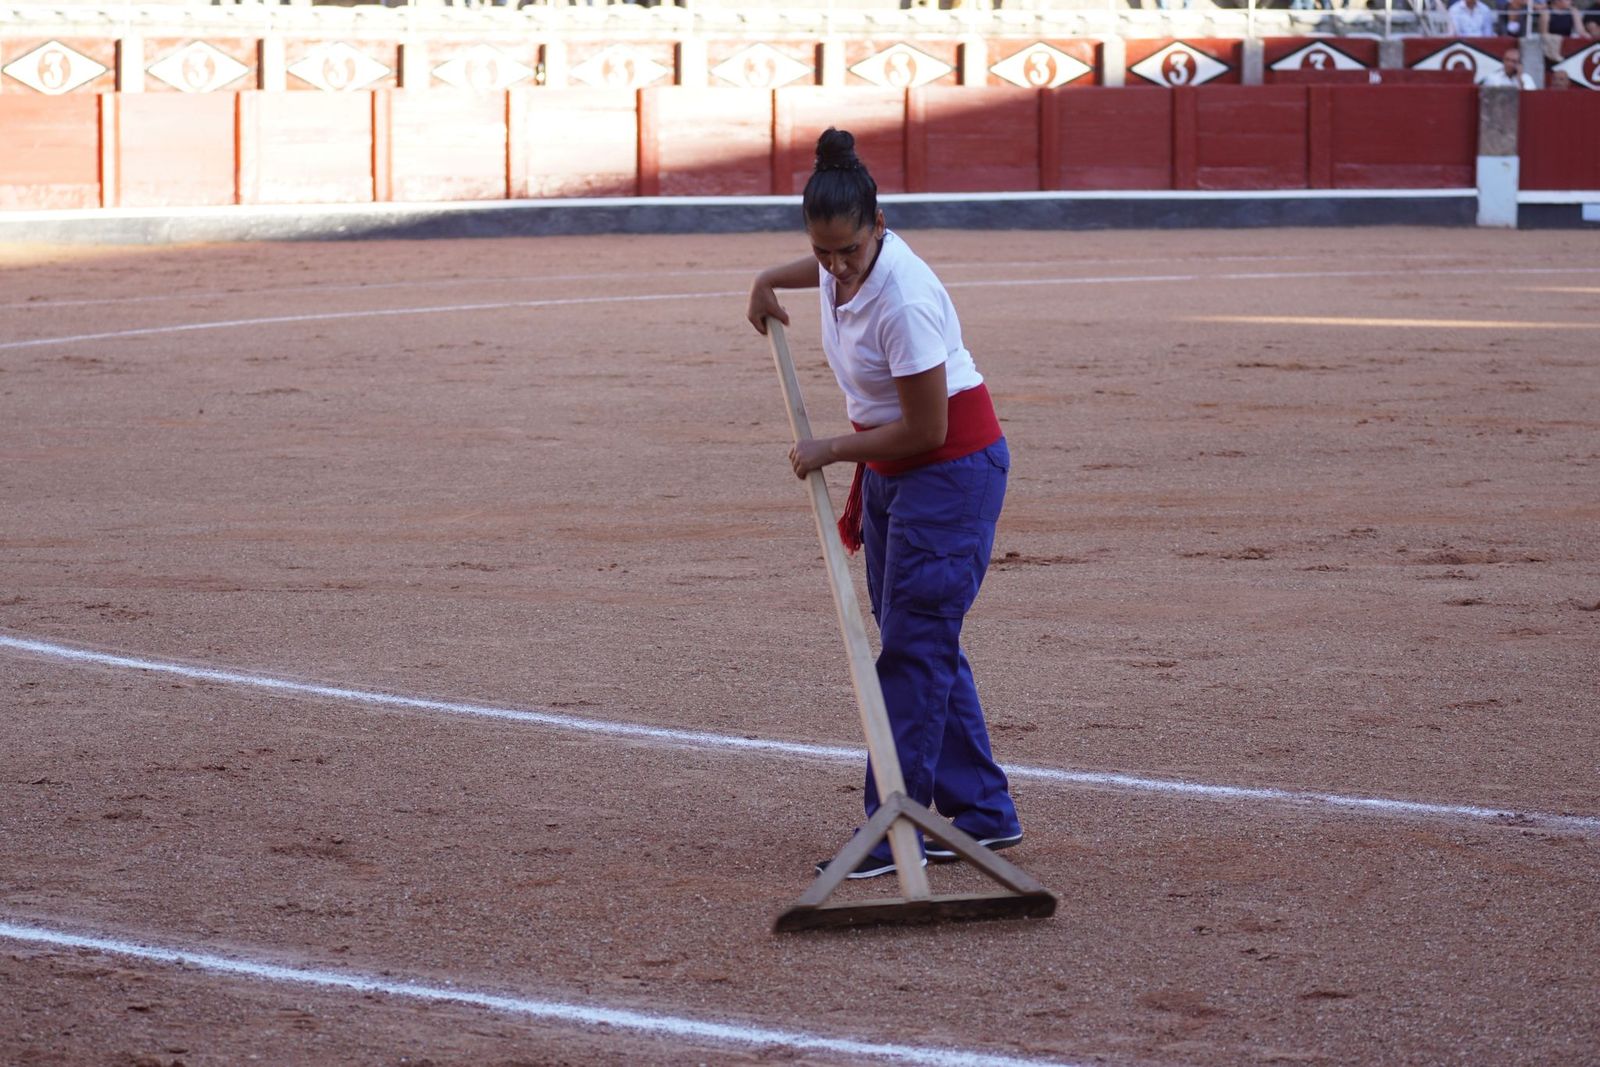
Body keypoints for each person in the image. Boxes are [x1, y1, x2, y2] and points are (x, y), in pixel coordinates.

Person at [746, 128, 1023, 880]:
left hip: (948, 470)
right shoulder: (843, 261)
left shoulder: (903, 299)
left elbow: (930, 427)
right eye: (821, 252)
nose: (835, 268)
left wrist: (831, 449)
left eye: (848, 252)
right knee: (919, 637)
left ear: (881, 228)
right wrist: (772, 276)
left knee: (911, 648)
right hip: (898, 470)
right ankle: (986, 811)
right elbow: (824, 267)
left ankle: (895, 821)